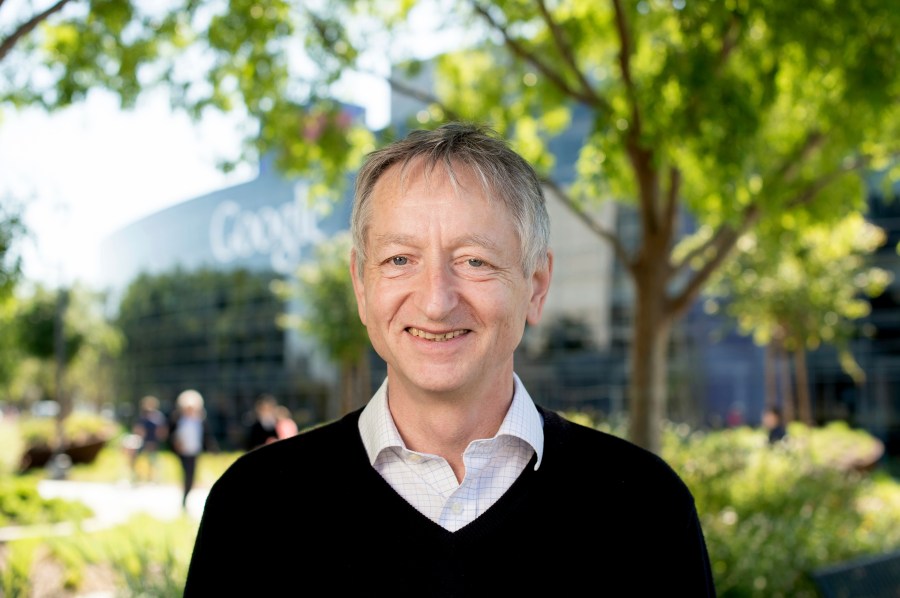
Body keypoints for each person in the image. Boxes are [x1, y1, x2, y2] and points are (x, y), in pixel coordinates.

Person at [184, 122, 716, 596]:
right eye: (400, 259)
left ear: (535, 285)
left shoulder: (646, 508)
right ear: (361, 287)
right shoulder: (254, 508)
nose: (436, 300)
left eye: (474, 260)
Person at [169, 389, 212, 509]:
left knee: (191, 476)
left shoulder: (200, 420)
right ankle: (184, 499)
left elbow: (206, 436)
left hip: (194, 451)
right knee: (186, 475)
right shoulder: (178, 419)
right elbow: (171, 435)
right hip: (182, 452)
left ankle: (186, 497)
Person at [129, 395, 168, 483]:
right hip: (142, 441)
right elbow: (137, 428)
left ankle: (153, 478)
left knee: (153, 461)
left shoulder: (158, 417)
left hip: (153, 441)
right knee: (137, 459)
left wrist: (159, 438)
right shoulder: (142, 417)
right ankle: (137, 476)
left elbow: (162, 430)